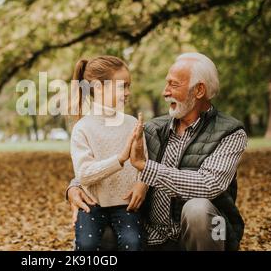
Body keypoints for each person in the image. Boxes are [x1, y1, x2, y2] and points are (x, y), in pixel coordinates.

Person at [67, 53, 247, 251]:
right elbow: (106, 159)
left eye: (173, 84)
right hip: (152, 235)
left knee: (198, 209)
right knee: (99, 232)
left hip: (198, 236)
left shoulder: (231, 133)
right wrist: (74, 187)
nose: (164, 92)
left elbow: (209, 184)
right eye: (166, 84)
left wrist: (147, 168)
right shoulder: (152, 128)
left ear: (199, 90)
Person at [69, 55, 148, 251]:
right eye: (123, 86)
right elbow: (84, 174)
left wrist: (142, 184)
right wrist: (120, 159)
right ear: (97, 87)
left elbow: (145, 163)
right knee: (86, 245)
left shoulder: (132, 124)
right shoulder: (82, 128)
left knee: (134, 243)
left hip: (126, 206)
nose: (128, 92)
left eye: (129, 86)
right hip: (92, 205)